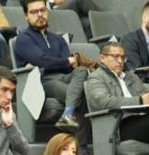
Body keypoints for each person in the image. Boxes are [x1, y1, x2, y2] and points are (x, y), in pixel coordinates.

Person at [86, 42, 149, 153]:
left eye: (123, 57)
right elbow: (103, 102)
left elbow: (146, 96)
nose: (120, 61)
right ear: (102, 58)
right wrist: (139, 101)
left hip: (141, 120)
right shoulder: (96, 77)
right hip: (119, 127)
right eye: (115, 57)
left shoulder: (131, 77)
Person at [13, 0, 92, 133]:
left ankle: (68, 116)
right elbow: (43, 61)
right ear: (26, 16)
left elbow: (67, 67)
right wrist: (64, 61)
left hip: (64, 76)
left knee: (81, 70)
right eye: (34, 12)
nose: (40, 14)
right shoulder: (24, 38)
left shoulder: (58, 39)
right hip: (42, 80)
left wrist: (60, 62)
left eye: (42, 10)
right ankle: (80, 140)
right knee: (81, 94)